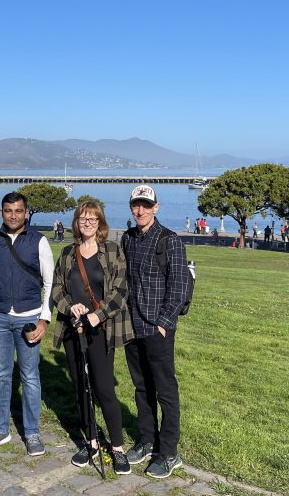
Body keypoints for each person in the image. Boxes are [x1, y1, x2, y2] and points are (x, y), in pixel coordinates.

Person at [50, 201, 133, 475]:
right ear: (76, 222)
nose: (87, 223)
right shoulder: (67, 254)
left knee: (104, 388)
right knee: (80, 389)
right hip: (74, 329)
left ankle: (117, 447)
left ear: (100, 223)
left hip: (100, 330)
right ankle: (92, 441)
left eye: (93, 219)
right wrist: (69, 306)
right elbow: (57, 289)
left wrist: (99, 314)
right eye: (83, 218)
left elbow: (121, 290)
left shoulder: (112, 251)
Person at [120, 185, 189, 480]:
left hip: (157, 328)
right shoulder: (128, 238)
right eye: (136, 205)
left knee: (165, 390)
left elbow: (180, 284)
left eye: (146, 205)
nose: (140, 210)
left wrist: (164, 322)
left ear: (156, 207)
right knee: (141, 387)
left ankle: (169, 451)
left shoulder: (169, 240)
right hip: (131, 326)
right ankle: (147, 441)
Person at [0, 192, 54, 457]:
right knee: (1, 375)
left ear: (26, 213)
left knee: (30, 376)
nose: (13, 216)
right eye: (9, 211)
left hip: (29, 316)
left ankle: (32, 433)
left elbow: (50, 282)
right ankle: (0, 429)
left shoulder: (39, 241)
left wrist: (44, 318)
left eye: (18, 211)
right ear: (2, 212)